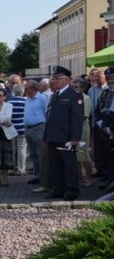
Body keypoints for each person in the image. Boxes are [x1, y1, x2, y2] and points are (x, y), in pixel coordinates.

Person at [44, 66, 83, 201]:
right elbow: (50, 117)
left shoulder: (74, 95)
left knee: (69, 165)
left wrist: (75, 138)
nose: (54, 81)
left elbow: (77, 119)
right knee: (55, 165)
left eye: (57, 78)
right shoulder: (55, 95)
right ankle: (58, 189)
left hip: (66, 137)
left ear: (66, 80)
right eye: (53, 78)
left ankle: (71, 190)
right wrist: (46, 136)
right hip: (53, 136)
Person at [23, 80, 48, 186]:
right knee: (33, 154)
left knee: (40, 153)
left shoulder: (42, 98)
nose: (25, 90)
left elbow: (46, 112)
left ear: (33, 89)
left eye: (27, 88)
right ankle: (37, 175)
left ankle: (43, 177)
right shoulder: (27, 99)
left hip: (39, 128)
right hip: (28, 129)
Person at [72, 77, 93, 187]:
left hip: (82, 126)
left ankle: (89, 178)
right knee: (76, 154)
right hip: (74, 127)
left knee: (83, 153)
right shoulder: (72, 98)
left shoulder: (86, 98)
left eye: (76, 87)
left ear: (82, 88)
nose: (74, 89)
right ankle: (80, 178)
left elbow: (84, 115)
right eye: (73, 87)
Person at [9, 83, 27, 176]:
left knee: (13, 149)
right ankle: (21, 168)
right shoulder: (26, 101)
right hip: (22, 128)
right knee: (21, 149)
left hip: (12, 128)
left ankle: (13, 167)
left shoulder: (9, 102)